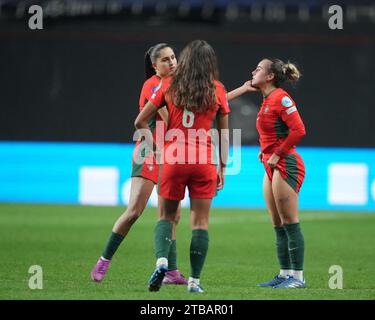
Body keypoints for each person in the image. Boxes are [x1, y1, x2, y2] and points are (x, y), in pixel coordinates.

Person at [134, 40, 230, 293]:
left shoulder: (168, 84)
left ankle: (162, 262)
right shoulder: (218, 89)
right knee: (200, 222)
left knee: (166, 217)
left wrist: (155, 147)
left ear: (184, 60)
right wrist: (222, 168)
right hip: (204, 160)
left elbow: (140, 121)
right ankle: (194, 282)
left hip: (174, 159)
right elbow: (224, 135)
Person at [91, 43, 188, 285]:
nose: (172, 62)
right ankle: (103, 260)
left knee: (172, 216)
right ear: (155, 66)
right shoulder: (153, 85)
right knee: (134, 210)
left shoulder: (177, 84)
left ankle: (172, 272)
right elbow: (169, 117)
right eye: (165, 60)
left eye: (173, 57)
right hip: (149, 151)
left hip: (170, 154)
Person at [250, 58, 307, 288]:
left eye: (259, 68)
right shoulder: (266, 101)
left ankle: (298, 277)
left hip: (286, 164)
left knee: (290, 222)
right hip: (271, 165)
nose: (253, 71)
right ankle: (284, 274)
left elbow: (299, 130)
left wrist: (278, 153)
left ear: (270, 76)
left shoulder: (280, 98)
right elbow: (273, 133)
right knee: (277, 224)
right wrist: (265, 152)